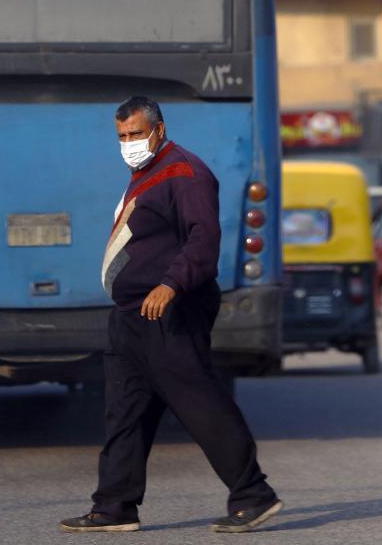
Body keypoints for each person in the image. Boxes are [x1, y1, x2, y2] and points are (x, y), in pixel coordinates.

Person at [59, 96, 282, 534]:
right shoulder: (148, 174)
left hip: (168, 309)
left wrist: (170, 284)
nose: (129, 143)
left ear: (159, 131)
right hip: (130, 316)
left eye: (136, 134)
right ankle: (114, 507)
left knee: (198, 402)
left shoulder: (185, 172)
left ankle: (253, 495)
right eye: (122, 136)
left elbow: (203, 239)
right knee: (125, 412)